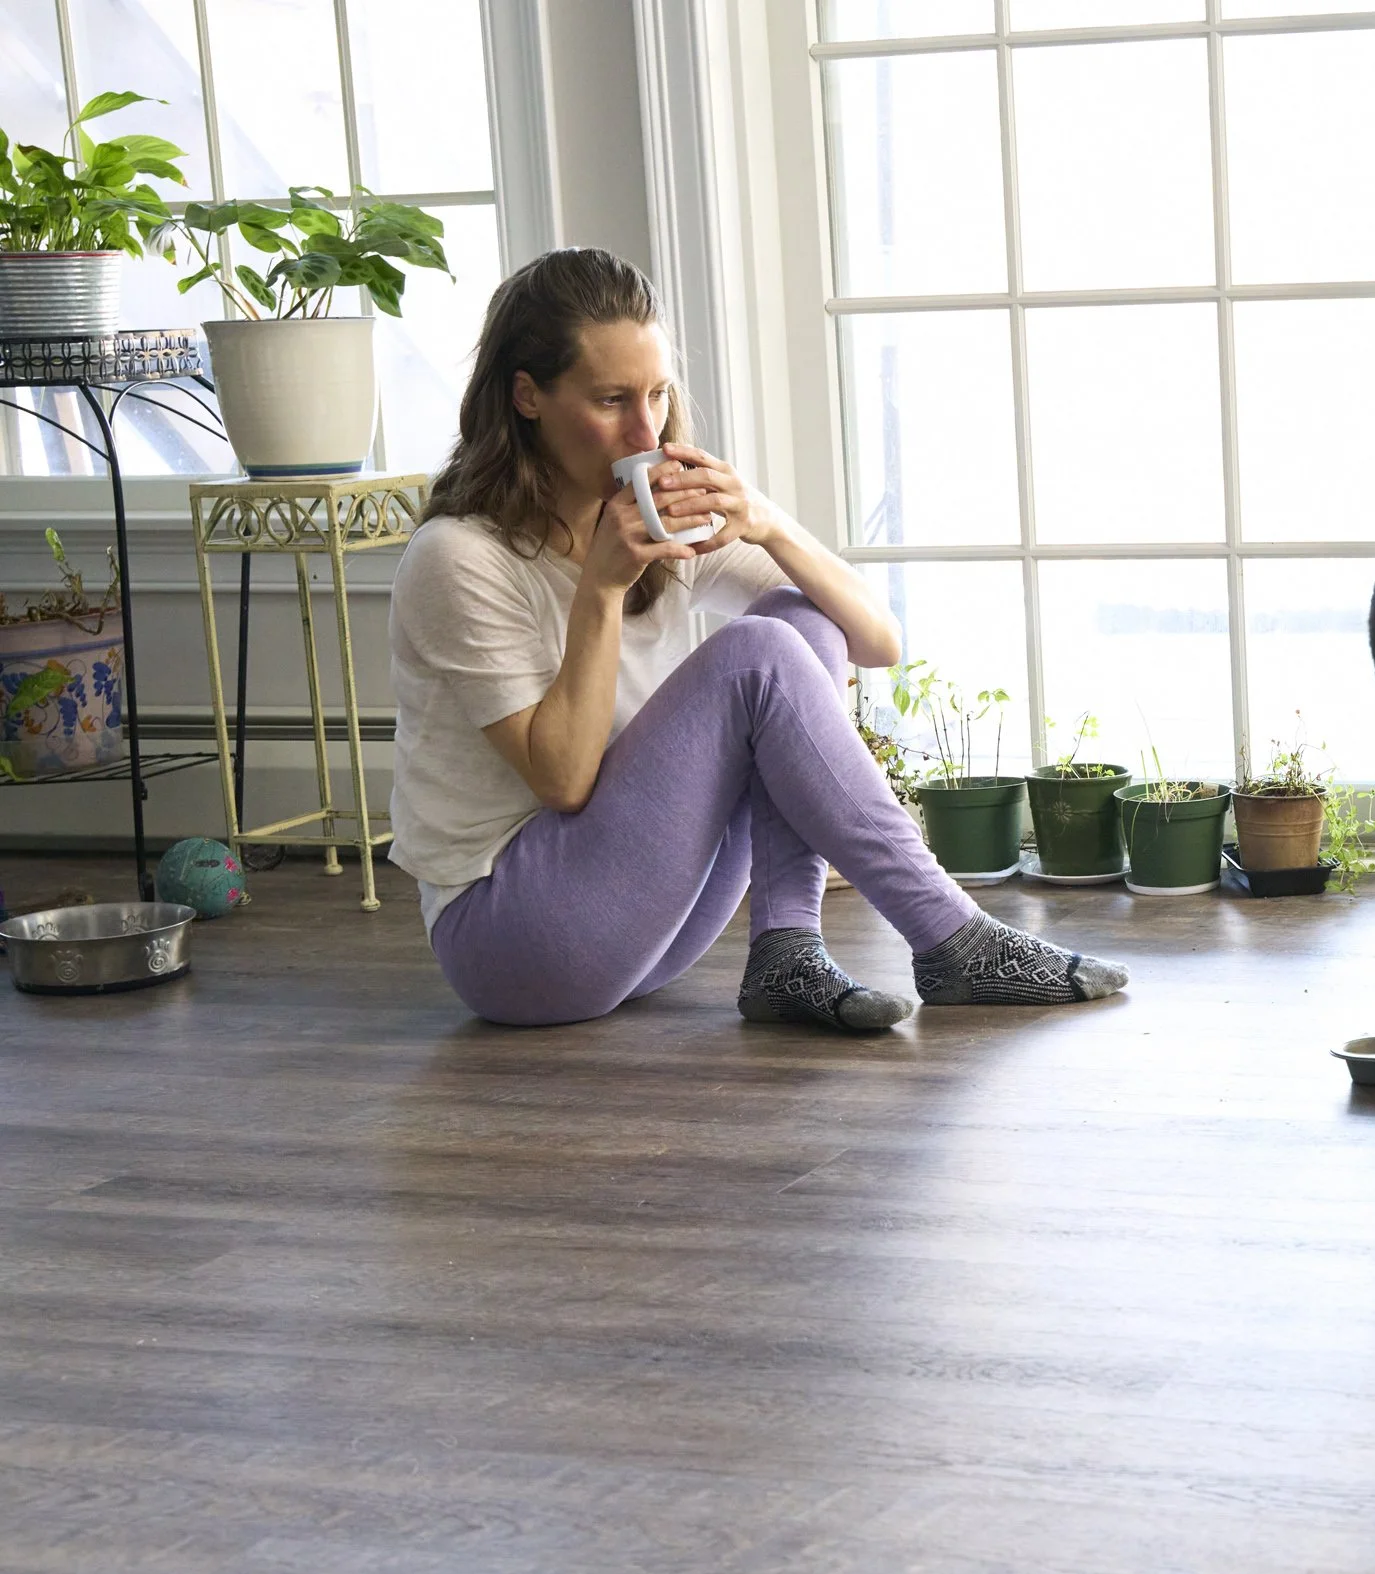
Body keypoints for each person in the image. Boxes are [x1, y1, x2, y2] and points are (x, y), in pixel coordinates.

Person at [387, 248, 1127, 1028]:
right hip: (516, 939)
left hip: (648, 923)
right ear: (528, 396)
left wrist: (768, 523)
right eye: (611, 401)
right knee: (757, 654)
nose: (646, 431)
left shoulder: (657, 514)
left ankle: (787, 949)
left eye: (658, 394)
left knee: (802, 620)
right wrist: (601, 588)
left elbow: (873, 638)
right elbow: (563, 783)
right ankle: (951, 936)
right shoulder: (458, 558)